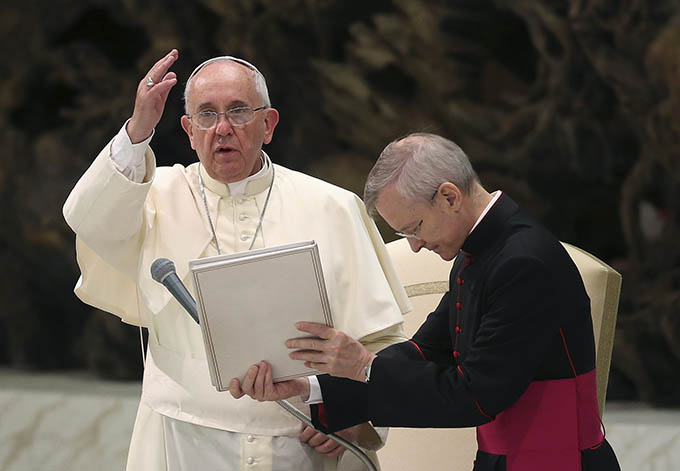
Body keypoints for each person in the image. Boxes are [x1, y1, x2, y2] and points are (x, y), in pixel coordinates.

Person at [62, 49, 410, 471]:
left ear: (269, 124)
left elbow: (379, 340)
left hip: (302, 441)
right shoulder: (153, 198)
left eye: (238, 111)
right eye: (206, 115)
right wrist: (138, 129)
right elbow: (88, 219)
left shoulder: (334, 207)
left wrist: (348, 412)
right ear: (188, 130)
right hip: (183, 438)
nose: (222, 128)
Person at [230, 133, 622, 470]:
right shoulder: (478, 249)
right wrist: (311, 386)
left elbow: (476, 395)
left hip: (556, 459)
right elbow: (426, 350)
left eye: (414, 228)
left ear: (449, 196)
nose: (414, 246)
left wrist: (365, 366)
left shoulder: (522, 262)